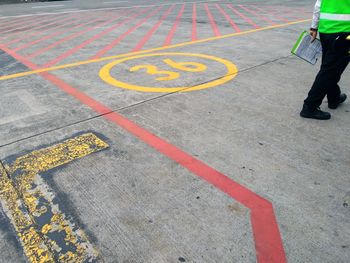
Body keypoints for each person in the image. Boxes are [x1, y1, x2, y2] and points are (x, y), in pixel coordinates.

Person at [300, 0, 350, 120]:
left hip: (326, 31)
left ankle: (334, 98)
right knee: (330, 70)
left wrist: (314, 27)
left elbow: (318, 5)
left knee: (330, 68)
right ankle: (309, 106)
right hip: (345, 33)